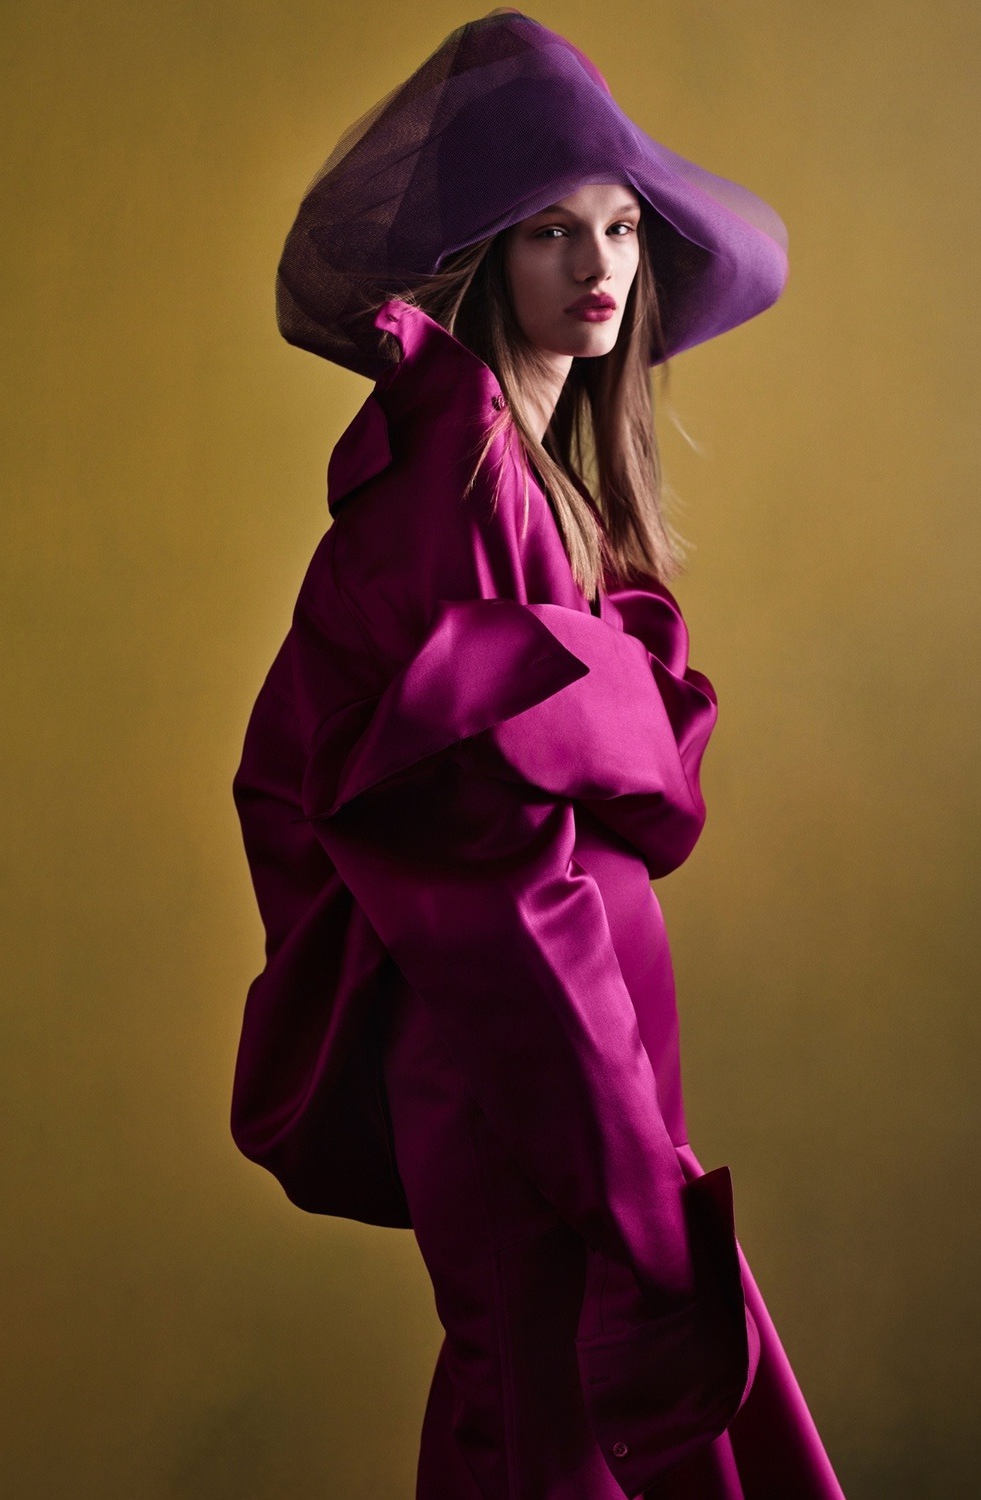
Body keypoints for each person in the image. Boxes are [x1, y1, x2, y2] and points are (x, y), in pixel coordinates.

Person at [230, 11, 848, 1497]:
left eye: (621, 228)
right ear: (485, 259)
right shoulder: (460, 488)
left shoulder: (535, 477)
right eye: (550, 232)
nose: (599, 266)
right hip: (532, 1072)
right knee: (540, 1426)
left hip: (585, 1064)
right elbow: (495, 876)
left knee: (567, 1431)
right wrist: (626, 1178)